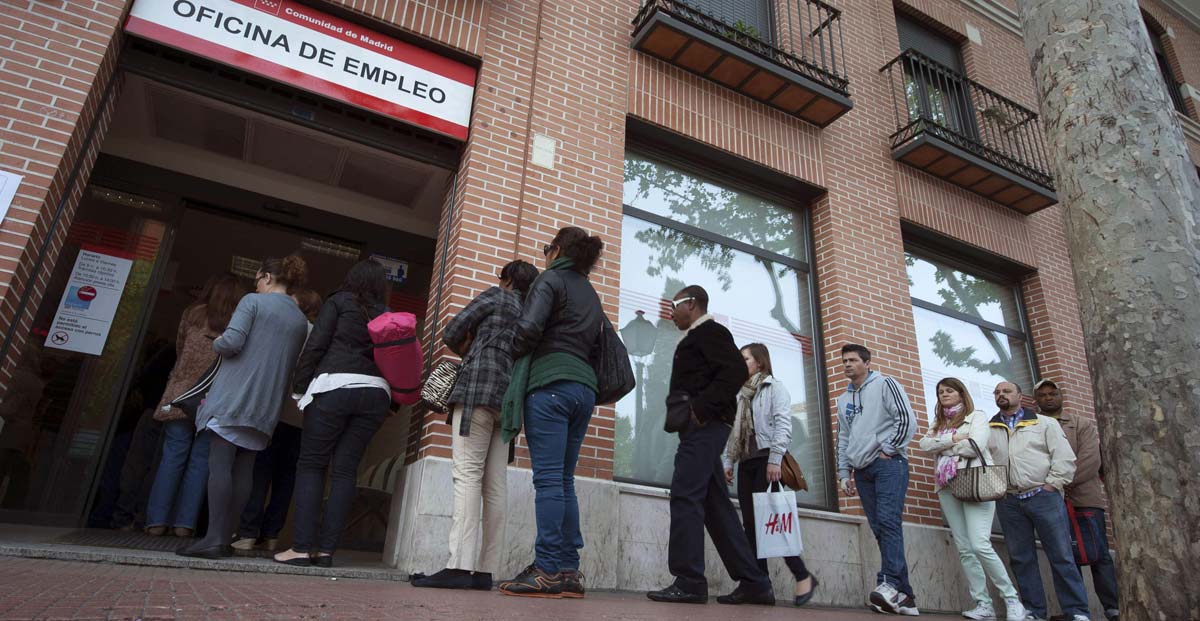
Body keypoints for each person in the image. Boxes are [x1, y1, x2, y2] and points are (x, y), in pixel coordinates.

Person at [412, 260, 539, 591]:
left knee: (467, 476)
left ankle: (459, 565)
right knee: (495, 485)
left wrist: (468, 349)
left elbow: (452, 330)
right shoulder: (532, 314)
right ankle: (485, 571)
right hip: (508, 405)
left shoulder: (496, 296)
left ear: (508, 279)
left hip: (477, 394)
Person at [646, 286, 775, 607]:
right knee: (717, 508)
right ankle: (755, 583)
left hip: (707, 427)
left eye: (674, 305)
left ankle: (689, 580)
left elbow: (733, 371)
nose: (670, 311)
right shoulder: (695, 336)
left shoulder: (711, 331)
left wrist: (700, 411)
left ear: (691, 304)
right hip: (703, 428)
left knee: (685, 494)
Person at [177, 255, 309, 559]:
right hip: (267, 404)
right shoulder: (299, 319)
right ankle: (225, 537)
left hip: (235, 394)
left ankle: (213, 538)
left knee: (219, 466)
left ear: (266, 277)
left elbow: (232, 342)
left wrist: (217, 341)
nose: (256, 286)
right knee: (245, 470)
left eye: (257, 280)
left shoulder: (253, 302)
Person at [497, 226, 604, 598]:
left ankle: (545, 569)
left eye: (546, 248)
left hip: (550, 385)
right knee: (564, 480)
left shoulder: (550, 279)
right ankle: (569, 572)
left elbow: (528, 329)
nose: (544, 255)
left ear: (557, 251)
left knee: (547, 480)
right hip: (583, 389)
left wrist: (507, 350)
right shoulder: (590, 292)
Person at [273, 261, 391, 568]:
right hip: (376, 393)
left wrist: (299, 389)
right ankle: (326, 551)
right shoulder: (386, 314)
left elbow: (317, 345)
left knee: (312, 465)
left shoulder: (339, 301)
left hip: (335, 385)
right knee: (345, 471)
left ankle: (300, 548)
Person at [918, 378, 1026, 621]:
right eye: (940, 391)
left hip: (976, 482)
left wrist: (944, 445)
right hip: (947, 487)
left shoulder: (977, 415)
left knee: (979, 544)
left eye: (949, 390)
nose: (944, 394)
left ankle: (1012, 599)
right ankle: (983, 604)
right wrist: (954, 439)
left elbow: (975, 444)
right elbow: (925, 444)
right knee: (965, 548)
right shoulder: (938, 422)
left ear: (961, 393)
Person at [145, 274, 244, 538]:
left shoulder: (193, 313)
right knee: (201, 461)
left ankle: (156, 521)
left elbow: (179, 350)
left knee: (172, 457)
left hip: (181, 393)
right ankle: (184, 525)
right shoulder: (238, 322)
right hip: (213, 399)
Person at [723, 343, 817, 607]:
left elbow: (783, 426)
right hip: (747, 462)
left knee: (774, 522)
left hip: (767, 461)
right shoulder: (741, 394)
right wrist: (728, 462)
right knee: (751, 527)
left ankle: (802, 575)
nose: (742, 363)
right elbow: (735, 433)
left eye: (745, 359)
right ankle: (758, 585)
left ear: (760, 363)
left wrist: (775, 459)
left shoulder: (773, 387)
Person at [990, 381, 1089, 621]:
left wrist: (1051, 485)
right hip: (1009, 500)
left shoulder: (1044, 423)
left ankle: (1077, 612)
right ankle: (1034, 611)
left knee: (1061, 555)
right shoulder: (989, 428)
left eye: (1007, 391)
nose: (1001, 395)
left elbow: (1064, 457)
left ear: (1020, 396)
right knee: (1021, 558)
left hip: (1043, 496)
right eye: (997, 392)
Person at [233, 288, 322, 555]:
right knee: (287, 478)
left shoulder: (289, 327)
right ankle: (272, 534)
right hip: (303, 417)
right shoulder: (317, 334)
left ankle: (247, 533)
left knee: (259, 472)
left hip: (276, 411)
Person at [836, 343, 918, 616]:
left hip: (888, 465)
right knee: (880, 528)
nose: (847, 364)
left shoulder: (885, 383)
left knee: (888, 521)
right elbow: (843, 438)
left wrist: (888, 449)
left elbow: (906, 419)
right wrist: (844, 472)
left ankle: (889, 583)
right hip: (862, 470)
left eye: (853, 360)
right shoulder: (843, 399)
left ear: (866, 363)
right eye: (845, 360)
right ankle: (905, 597)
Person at [1034, 379, 1118, 621]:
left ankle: (1113, 607)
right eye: (1042, 395)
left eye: (1053, 393)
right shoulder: (1034, 426)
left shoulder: (1080, 424)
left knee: (1098, 554)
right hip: (1051, 501)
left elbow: (1091, 460)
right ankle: (1076, 610)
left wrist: (1058, 482)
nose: (1048, 398)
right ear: (1036, 400)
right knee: (1064, 555)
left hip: (1083, 499)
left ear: (1060, 396)